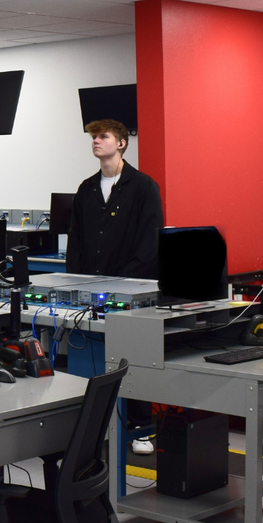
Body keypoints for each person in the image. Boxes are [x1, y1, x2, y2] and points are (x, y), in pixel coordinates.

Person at [67, 117, 164, 454]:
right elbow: (76, 240)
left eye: (103, 136)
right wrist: (76, 282)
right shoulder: (86, 189)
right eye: (93, 137)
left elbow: (150, 241)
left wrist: (124, 282)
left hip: (130, 289)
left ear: (121, 143)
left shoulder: (144, 187)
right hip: (91, 289)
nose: (96, 141)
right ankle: (93, 430)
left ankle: (140, 429)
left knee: (130, 357)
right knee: (93, 357)